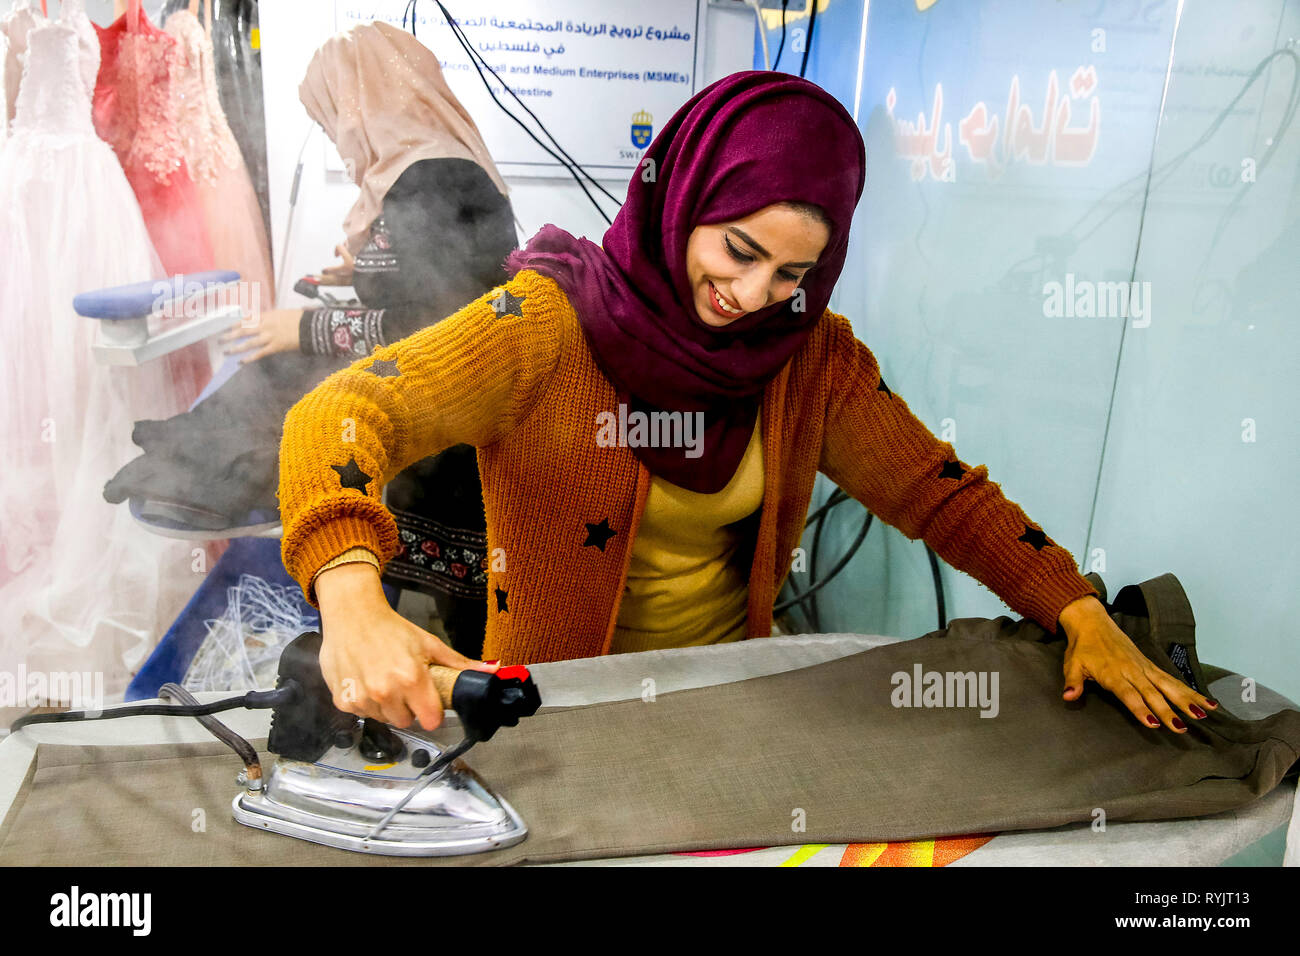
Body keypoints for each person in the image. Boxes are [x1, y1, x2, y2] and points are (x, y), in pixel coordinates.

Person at [277, 70, 1219, 736]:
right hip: (556, 713)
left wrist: (1079, 611)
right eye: (736, 250)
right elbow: (345, 413)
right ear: (682, 199)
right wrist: (351, 595)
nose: (754, 295)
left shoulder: (807, 358)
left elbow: (941, 494)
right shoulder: (542, 326)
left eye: (793, 272)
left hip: (727, 696)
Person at [103, 22, 517, 657]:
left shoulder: (431, 179)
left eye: (333, 118)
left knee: (471, 638)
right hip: (436, 415)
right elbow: (428, 282)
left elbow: (435, 327)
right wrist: (360, 276)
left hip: (453, 430)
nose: (336, 134)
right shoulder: (426, 168)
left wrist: (302, 327)